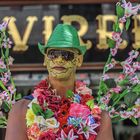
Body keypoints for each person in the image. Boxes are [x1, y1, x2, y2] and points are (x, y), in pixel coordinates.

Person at [5, 24, 114, 140]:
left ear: (78, 60)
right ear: (45, 60)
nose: (59, 60)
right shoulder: (21, 110)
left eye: (67, 55)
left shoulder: (99, 117)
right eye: (53, 54)